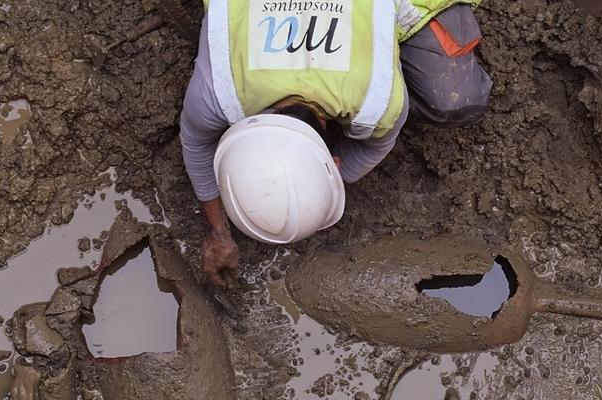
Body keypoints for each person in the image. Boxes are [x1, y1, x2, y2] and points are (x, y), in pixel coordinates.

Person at [180, 0, 492, 287]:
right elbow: (195, 143)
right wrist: (219, 232)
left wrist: (324, 183)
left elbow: (376, 145)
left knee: (456, 98)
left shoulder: (378, 103)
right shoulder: (218, 91)